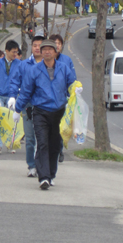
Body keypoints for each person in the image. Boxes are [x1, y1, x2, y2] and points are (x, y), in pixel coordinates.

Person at [10, 40, 76, 190]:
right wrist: (17, 109)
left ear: (55, 52)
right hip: (40, 111)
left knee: (55, 145)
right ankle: (44, 177)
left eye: (50, 49)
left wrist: (75, 89)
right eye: (44, 49)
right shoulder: (34, 70)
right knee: (42, 143)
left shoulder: (64, 68)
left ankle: (51, 175)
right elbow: (26, 91)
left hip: (59, 112)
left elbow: (72, 84)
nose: (47, 52)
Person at [8, 35, 45, 178]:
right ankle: (31, 165)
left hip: (44, 105)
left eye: (39, 45)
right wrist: (12, 96)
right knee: (30, 138)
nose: (37, 48)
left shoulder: (49, 65)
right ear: (31, 46)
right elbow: (15, 81)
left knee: (43, 138)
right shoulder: (23, 65)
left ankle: (42, 165)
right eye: (34, 45)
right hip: (28, 105)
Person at [49, 34, 77, 163]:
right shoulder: (46, 60)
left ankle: (59, 150)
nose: (58, 45)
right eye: (55, 43)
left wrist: (74, 90)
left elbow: (72, 79)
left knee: (60, 127)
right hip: (48, 100)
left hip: (63, 99)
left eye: (59, 43)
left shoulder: (67, 60)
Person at [0, 40, 21, 154]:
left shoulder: (19, 64)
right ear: (6, 51)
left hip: (12, 96)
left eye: (16, 52)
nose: (15, 54)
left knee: (12, 120)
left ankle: (10, 143)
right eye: (13, 52)